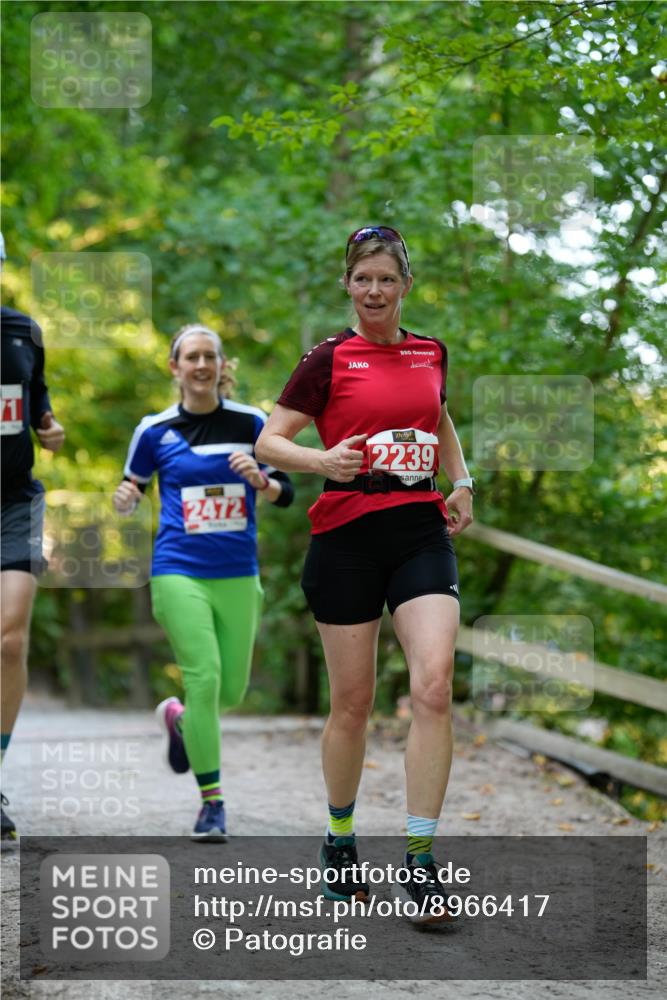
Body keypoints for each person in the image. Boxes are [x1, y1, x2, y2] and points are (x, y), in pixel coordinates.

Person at [256, 226, 474, 922]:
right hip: (345, 535)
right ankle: (340, 842)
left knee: (433, 686)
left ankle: (419, 861)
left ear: (405, 284)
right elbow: (268, 439)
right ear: (346, 285)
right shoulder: (326, 359)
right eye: (362, 280)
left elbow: (436, 418)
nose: (374, 291)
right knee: (352, 704)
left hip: (418, 531)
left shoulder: (430, 350)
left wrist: (461, 479)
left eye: (386, 279)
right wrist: (321, 464)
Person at [113, 323, 293, 841]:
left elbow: (288, 492)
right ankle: (212, 803)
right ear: (175, 367)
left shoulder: (252, 422)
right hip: (178, 569)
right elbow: (131, 486)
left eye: (209, 356)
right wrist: (124, 500)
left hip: (238, 573)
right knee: (206, 677)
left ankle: (177, 717)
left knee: (228, 692)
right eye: (190, 356)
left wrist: (262, 481)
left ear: (221, 365)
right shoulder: (154, 430)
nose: (200, 365)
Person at [1, 231, 66, 843]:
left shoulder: (23, 329)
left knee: (10, 639)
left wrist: (48, 426)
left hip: (14, 502)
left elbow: (34, 397)